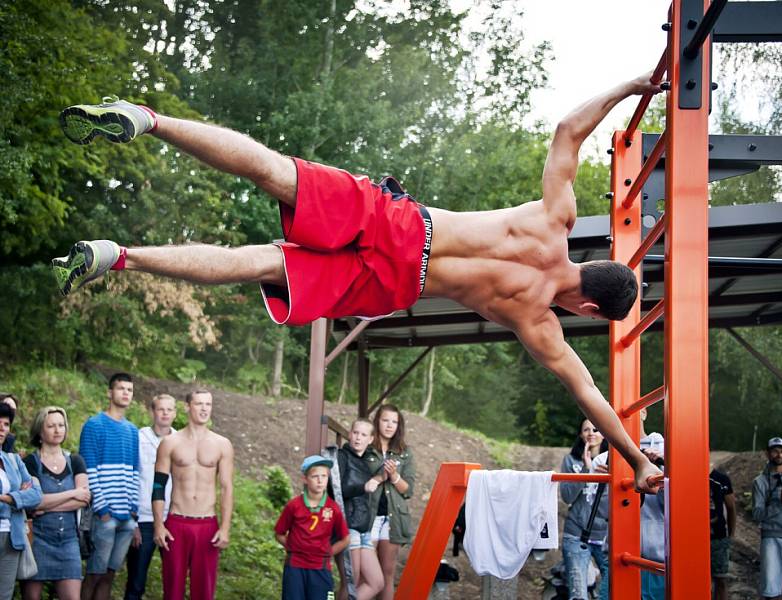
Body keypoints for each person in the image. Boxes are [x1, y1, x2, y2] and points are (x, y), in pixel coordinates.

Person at [53, 73, 666, 494]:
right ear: (589, 307)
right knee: (265, 262)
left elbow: (568, 130)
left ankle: (149, 120)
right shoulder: (540, 323)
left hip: (402, 222)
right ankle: (119, 256)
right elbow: (590, 395)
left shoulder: (554, 222)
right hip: (394, 282)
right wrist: (637, 459)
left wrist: (631, 86)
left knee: (274, 170)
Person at [152, 389, 234, 600]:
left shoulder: (222, 444)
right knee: (172, 590)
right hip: (177, 523)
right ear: (187, 407)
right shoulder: (170, 443)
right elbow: (158, 486)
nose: (204, 408)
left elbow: (226, 488)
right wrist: (158, 525)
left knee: (204, 591)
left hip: (207, 524)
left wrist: (225, 528)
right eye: (199, 404)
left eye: (208, 404)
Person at [79, 372, 140, 600]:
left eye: (129, 390)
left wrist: (133, 509)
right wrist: (103, 510)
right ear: (110, 392)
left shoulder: (132, 430)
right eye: (121, 388)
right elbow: (88, 471)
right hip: (104, 516)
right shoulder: (94, 425)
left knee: (109, 576)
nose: (126, 393)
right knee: (94, 574)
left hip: (127, 516)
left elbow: (135, 472)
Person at [21, 407, 90, 600]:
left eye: (61, 425)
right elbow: (32, 502)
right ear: (40, 431)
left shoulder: (75, 460)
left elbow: (83, 499)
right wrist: (72, 493)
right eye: (51, 426)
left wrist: (44, 503)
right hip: (38, 540)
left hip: (69, 541)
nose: (57, 430)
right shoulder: (30, 462)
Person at [124, 393, 177, 600]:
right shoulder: (138, 437)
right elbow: (128, 477)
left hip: (172, 518)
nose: (165, 413)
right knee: (136, 582)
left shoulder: (180, 440)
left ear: (175, 413)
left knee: (174, 581)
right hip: (143, 519)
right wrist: (132, 520)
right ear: (152, 412)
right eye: (160, 409)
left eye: (169, 409)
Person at [275, 455, 350, 600]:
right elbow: (279, 533)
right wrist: (294, 546)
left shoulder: (333, 508)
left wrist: (328, 552)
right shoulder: (294, 506)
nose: (320, 480)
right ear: (305, 479)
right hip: (295, 567)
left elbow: (345, 539)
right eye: (315, 476)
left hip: (320, 568)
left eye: (324, 476)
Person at [332, 419, 383, 600]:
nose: (357, 438)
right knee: (350, 582)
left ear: (370, 439)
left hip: (363, 530)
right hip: (347, 528)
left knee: (376, 582)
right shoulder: (341, 456)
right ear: (350, 434)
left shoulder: (365, 463)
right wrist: (364, 486)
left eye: (363, 435)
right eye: (355, 433)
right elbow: (337, 489)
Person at [368, 404, 415, 600]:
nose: (389, 425)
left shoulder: (405, 452)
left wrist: (394, 475)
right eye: (385, 420)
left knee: (387, 573)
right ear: (377, 421)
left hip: (392, 520)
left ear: (399, 426)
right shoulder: (367, 447)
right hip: (369, 517)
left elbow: (408, 490)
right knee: (367, 574)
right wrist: (380, 476)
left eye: (394, 422)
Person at [560, 418, 609, 600]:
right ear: (581, 435)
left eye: (596, 429)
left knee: (614, 589)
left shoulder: (614, 461)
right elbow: (566, 496)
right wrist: (586, 470)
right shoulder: (571, 461)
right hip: (577, 534)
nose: (591, 433)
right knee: (578, 594)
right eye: (586, 430)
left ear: (604, 433)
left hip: (606, 537)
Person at [0, 401, 42, 600]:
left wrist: (10, 498)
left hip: (12, 537)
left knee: (5, 595)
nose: (2, 428)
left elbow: (36, 495)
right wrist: (19, 495)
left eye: (6, 424)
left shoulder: (14, 460)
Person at [752, 436, 782, 600]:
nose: (779, 454)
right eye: (774, 451)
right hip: (771, 538)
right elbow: (757, 515)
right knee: (770, 591)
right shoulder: (759, 482)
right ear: (767, 454)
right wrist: (777, 503)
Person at [637, 409, 666, 600]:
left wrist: (663, 468)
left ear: (645, 413)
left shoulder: (662, 449)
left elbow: (674, 502)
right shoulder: (610, 451)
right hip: (621, 551)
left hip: (655, 552)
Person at [710, 462, 736, 600]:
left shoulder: (721, 479)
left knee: (720, 579)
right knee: (699, 579)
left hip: (718, 537)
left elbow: (731, 507)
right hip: (694, 538)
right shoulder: (689, 476)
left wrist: (731, 535)